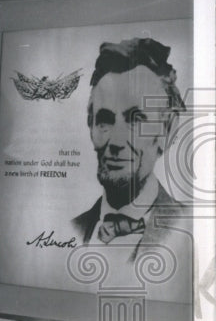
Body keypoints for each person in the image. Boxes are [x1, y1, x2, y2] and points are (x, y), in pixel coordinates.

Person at [70, 38, 191, 297]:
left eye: (135, 120)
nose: (115, 142)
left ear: (167, 130)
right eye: (104, 121)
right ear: (90, 125)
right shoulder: (75, 229)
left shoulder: (193, 231)